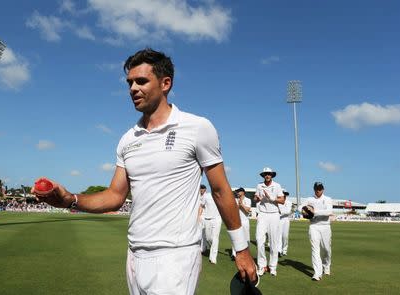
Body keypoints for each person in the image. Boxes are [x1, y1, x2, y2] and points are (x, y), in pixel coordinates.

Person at [32, 48, 257, 294]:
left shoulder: (197, 127)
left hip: (175, 256)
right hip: (134, 255)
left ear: (165, 83)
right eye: (129, 82)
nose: (132, 89)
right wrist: (70, 200)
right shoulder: (128, 139)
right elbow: (115, 196)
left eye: (141, 81)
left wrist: (241, 249)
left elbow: (220, 189)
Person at [299, 182, 333, 281]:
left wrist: (314, 212)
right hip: (314, 226)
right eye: (316, 189)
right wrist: (304, 209)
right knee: (315, 249)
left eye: (320, 189)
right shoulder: (310, 199)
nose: (318, 190)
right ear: (314, 189)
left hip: (325, 226)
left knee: (326, 249)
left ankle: (326, 265)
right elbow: (300, 207)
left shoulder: (327, 199)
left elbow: (329, 211)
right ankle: (317, 273)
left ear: (323, 189)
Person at [254, 167, 284, 277]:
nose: (267, 175)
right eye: (265, 174)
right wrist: (258, 198)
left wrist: (272, 198)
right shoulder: (259, 186)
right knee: (259, 239)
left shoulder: (277, 186)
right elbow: (255, 198)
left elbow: (282, 200)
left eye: (269, 174)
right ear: (263, 176)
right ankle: (262, 266)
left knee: (273, 242)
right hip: (262, 214)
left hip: (274, 214)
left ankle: (272, 267)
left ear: (272, 175)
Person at [200, 184, 222, 264]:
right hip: (207, 219)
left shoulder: (221, 196)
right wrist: (199, 216)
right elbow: (201, 206)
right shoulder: (206, 196)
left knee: (215, 238)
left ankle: (213, 258)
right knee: (209, 238)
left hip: (217, 219)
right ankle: (208, 247)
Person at [232, 187, 251, 258]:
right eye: (237, 192)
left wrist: (241, 205)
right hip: (237, 221)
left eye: (239, 191)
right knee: (235, 237)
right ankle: (234, 254)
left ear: (243, 192)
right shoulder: (235, 200)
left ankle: (247, 254)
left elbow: (248, 210)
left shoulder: (248, 200)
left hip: (245, 221)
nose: (237, 193)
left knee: (246, 238)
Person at [278, 189, 292, 257]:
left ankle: (284, 250)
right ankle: (279, 250)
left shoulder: (289, 202)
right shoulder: (278, 202)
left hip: (286, 220)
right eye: (284, 194)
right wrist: (282, 212)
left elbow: (288, 211)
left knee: (285, 236)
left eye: (285, 194)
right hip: (279, 219)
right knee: (279, 235)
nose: (285, 195)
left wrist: (281, 212)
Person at [198, 184, 208, 253]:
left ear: (205, 189)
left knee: (203, 233)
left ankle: (203, 248)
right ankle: (201, 247)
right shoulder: (198, 196)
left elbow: (201, 206)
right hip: (199, 216)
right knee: (199, 233)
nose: (201, 190)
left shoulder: (207, 196)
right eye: (200, 188)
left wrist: (199, 215)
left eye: (202, 188)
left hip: (204, 216)